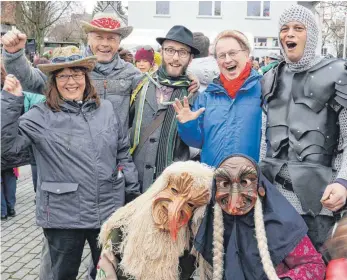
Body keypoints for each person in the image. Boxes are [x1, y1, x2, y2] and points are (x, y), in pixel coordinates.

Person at [1, 46, 140, 280]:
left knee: (111, 274)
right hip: (63, 217)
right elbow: (6, 150)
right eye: (63, 75)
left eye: (76, 74)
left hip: (107, 211)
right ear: (53, 81)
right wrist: (10, 103)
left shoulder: (105, 109)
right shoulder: (40, 115)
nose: (71, 81)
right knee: (62, 275)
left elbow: (122, 152)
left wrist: (132, 193)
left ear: (86, 77)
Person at [260, 4, 347, 250]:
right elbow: (263, 139)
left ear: (312, 35)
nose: (289, 34)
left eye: (298, 28)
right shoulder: (270, 78)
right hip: (275, 199)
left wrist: (343, 182)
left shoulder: (338, 73)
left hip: (322, 202)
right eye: (284, 29)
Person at [1, 13, 142, 132]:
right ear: (88, 38)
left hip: (115, 157)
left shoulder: (132, 75)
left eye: (111, 38)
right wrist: (14, 55)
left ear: (119, 42)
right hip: (73, 156)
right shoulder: (68, 66)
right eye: (99, 37)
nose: (105, 43)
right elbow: (28, 80)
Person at [195, 154, 326, 280]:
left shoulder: (282, 224)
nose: (235, 201)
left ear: (260, 189)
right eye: (225, 184)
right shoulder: (209, 224)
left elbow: (314, 266)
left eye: (245, 182)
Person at [96, 160, 214, 280]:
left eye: (189, 204)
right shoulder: (125, 222)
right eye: (174, 191)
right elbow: (107, 267)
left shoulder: (193, 234)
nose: (176, 208)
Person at [174, 30, 262, 168]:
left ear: (246, 53)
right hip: (214, 179)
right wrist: (187, 124)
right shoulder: (207, 96)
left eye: (232, 53)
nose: (227, 60)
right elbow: (197, 141)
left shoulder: (264, 90)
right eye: (222, 55)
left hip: (250, 181)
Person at [129, 25, 200, 192]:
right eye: (170, 50)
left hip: (171, 187)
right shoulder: (139, 84)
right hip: (134, 183)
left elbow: (198, 144)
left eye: (182, 52)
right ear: (161, 52)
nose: (175, 57)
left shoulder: (194, 95)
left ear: (190, 58)